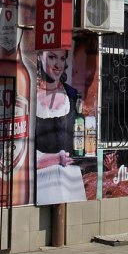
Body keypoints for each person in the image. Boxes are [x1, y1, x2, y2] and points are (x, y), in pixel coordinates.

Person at [34, 48, 86, 203]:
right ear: (39, 57)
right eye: (52, 57)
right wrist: (55, 158)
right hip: (43, 184)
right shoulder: (29, 96)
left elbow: (80, 137)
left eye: (62, 58)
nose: (58, 64)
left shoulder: (72, 95)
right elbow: (22, 151)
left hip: (72, 183)